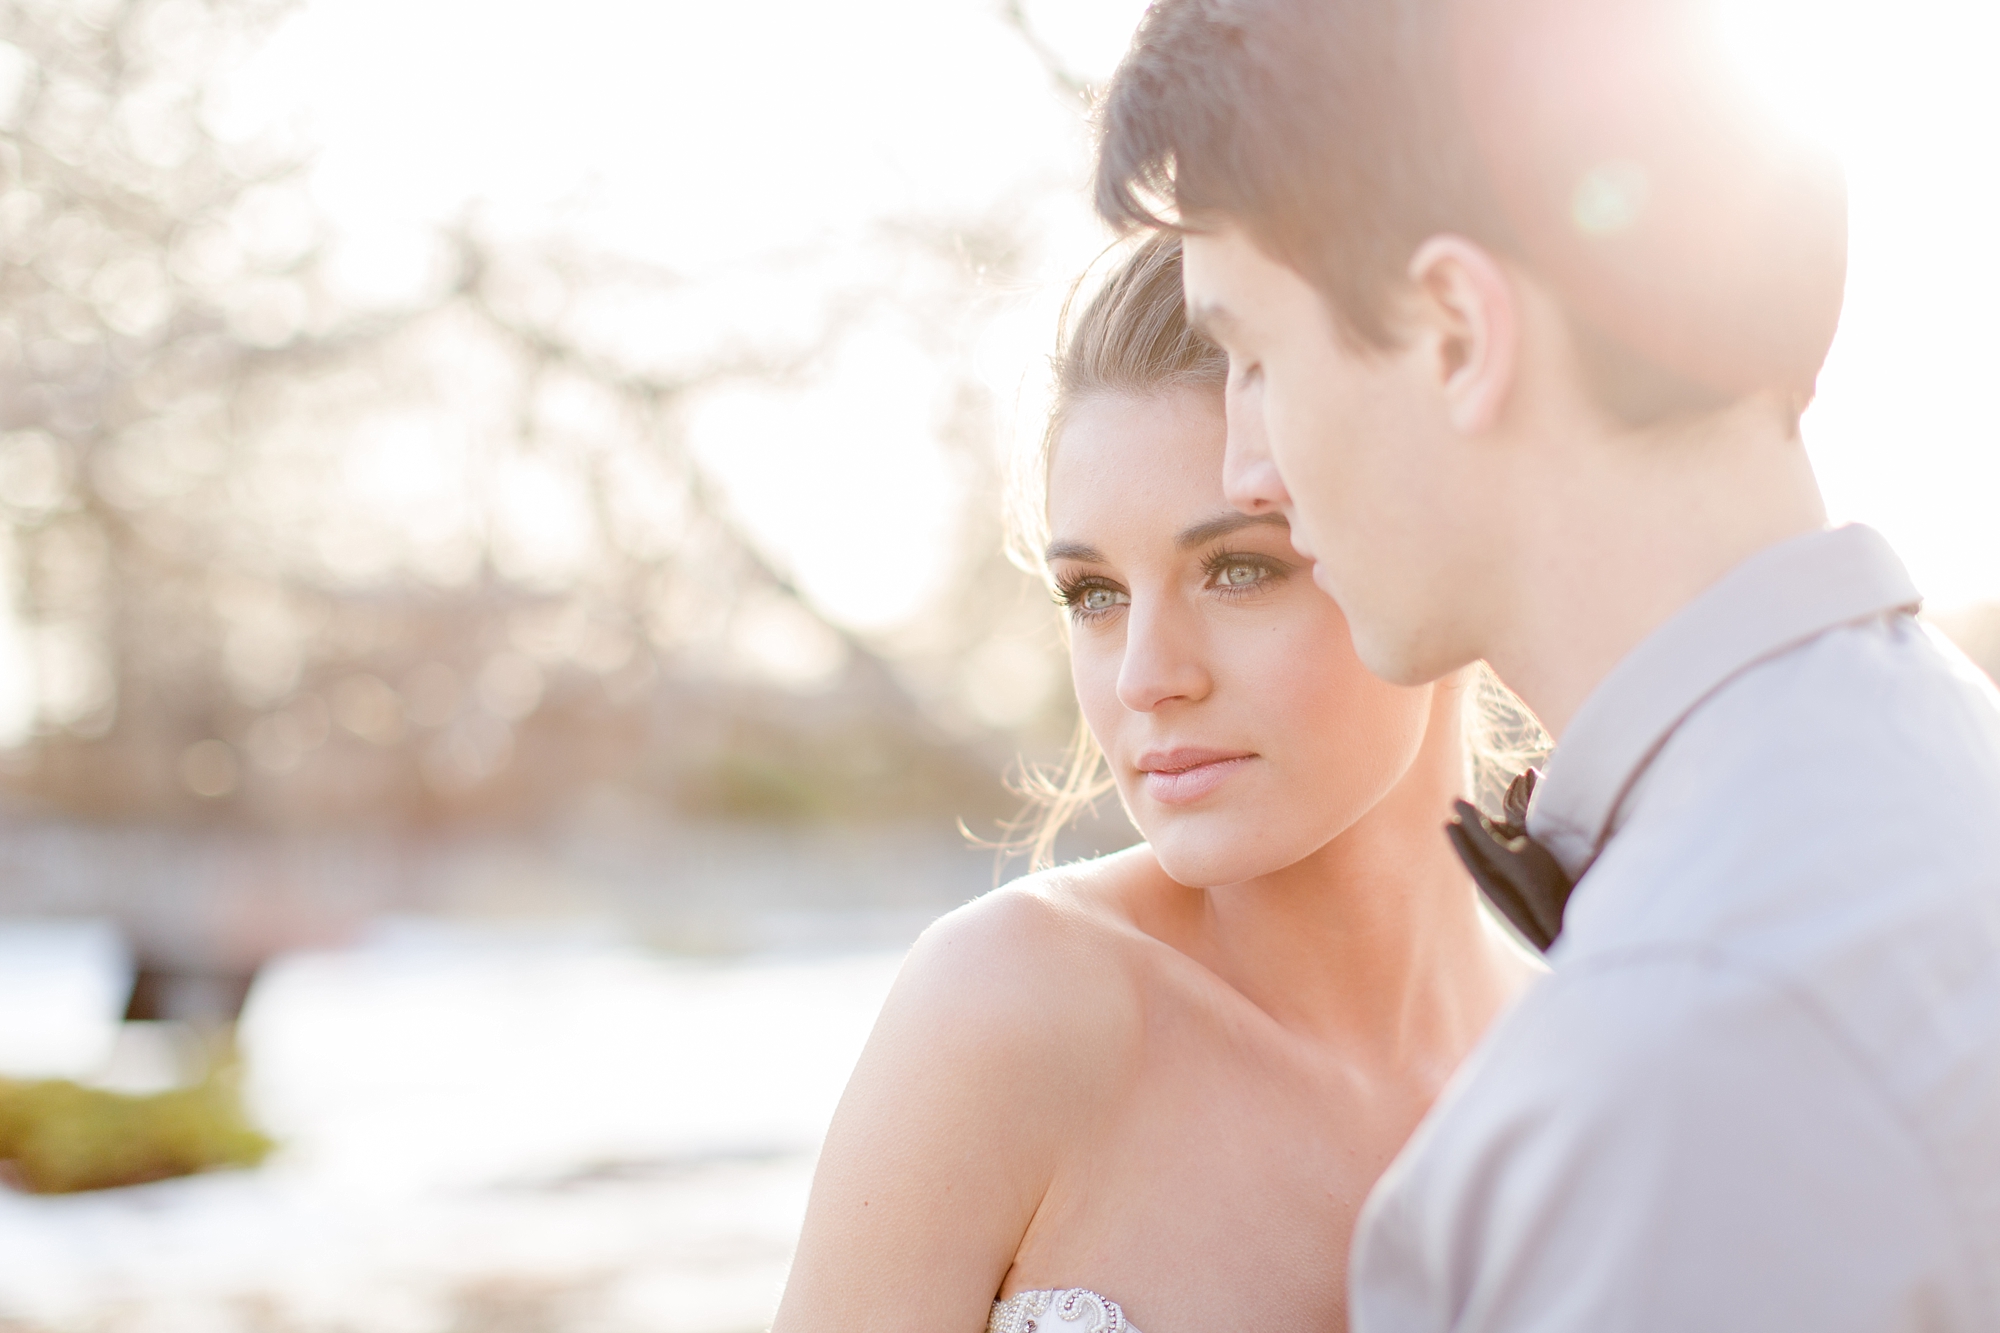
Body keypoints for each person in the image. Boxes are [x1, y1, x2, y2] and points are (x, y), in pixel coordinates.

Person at [1092, 1, 2000, 1330]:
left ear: (1459, 329)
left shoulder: (1679, 1067)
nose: (1248, 469)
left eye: (1251, 358)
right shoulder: (1939, 762)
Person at [772, 234, 1537, 1333]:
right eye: (1092, 592)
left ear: (1436, 551)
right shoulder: (1010, 1006)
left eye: (1237, 569)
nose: (1144, 677)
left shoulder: (1592, 1061)